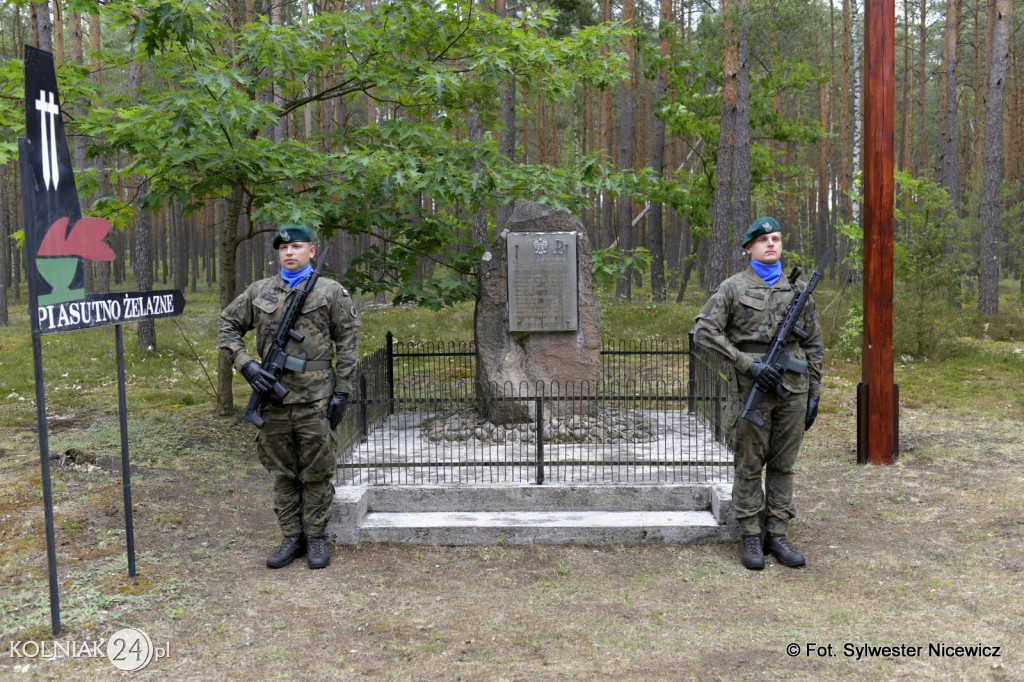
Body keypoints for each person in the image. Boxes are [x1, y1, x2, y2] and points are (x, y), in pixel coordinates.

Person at [219, 225, 359, 570]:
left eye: (297, 246)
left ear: (312, 251)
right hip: (272, 398)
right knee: (282, 472)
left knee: (316, 471)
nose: (289, 252)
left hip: (316, 398)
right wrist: (246, 365)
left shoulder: (330, 292)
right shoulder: (260, 291)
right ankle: (290, 538)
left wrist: (343, 391)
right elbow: (227, 327)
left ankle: (315, 537)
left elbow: (349, 345)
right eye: (283, 247)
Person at [693, 216, 823, 570]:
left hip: (792, 391)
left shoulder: (798, 293)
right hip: (750, 389)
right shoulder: (732, 288)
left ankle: (777, 533)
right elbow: (704, 331)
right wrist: (746, 364)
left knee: (783, 465)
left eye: (777, 238)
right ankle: (751, 533)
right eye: (763, 239)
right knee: (749, 464)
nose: (771, 244)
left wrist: (814, 391)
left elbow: (813, 343)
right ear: (748, 248)